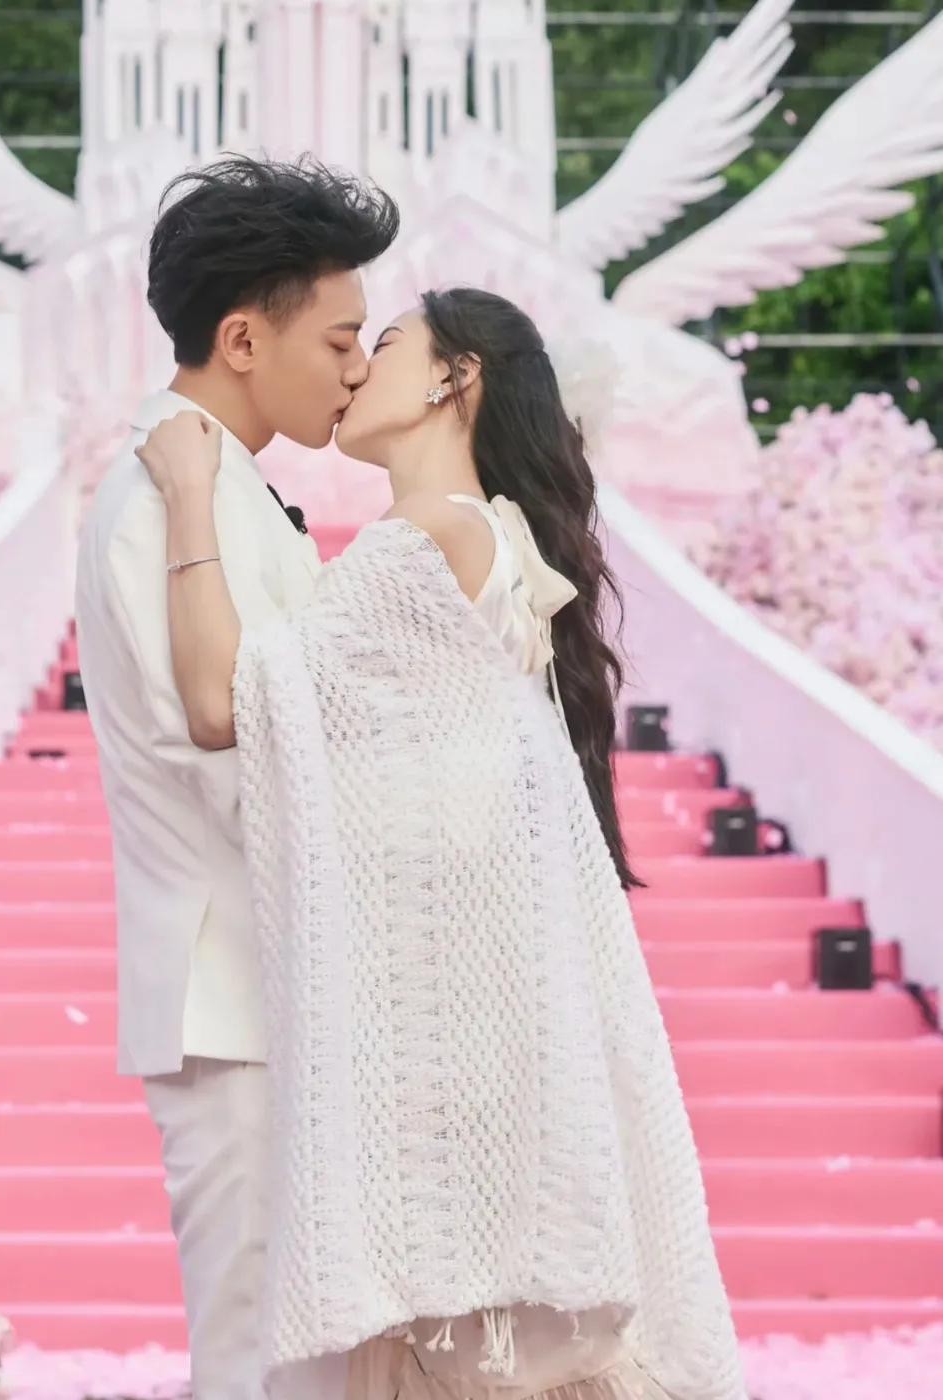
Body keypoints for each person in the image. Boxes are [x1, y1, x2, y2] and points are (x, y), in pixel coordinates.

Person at [136, 286, 747, 1400]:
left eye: (381, 344)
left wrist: (186, 498)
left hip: (450, 1044)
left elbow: (227, 701)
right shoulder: (488, 537)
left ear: (452, 378)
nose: (355, 368)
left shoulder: (422, 541)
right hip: (491, 1020)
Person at [74, 155, 399, 1400]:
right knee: (262, 1353)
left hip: (272, 986)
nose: (356, 369)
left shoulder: (222, 488)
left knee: (301, 1353)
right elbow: (227, 750)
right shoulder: (161, 503)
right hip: (232, 998)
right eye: (341, 339)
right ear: (244, 338)